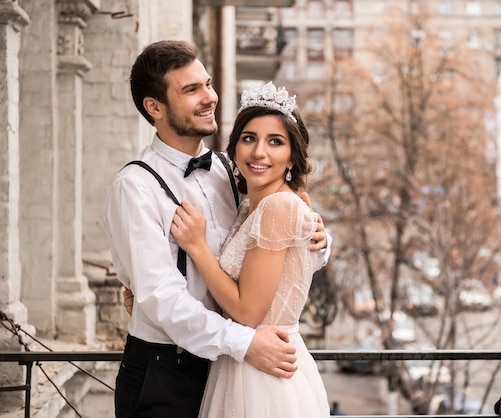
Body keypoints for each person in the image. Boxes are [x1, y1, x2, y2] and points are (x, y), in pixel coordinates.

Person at [102, 40, 331, 418]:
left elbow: (270, 247)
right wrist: (245, 343)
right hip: (167, 371)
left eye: (207, 84)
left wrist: (320, 239)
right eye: (192, 90)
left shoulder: (230, 169)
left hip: (230, 366)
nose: (210, 97)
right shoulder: (135, 187)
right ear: (154, 107)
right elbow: (163, 300)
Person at [170, 81, 329, 417]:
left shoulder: (277, 208)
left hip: (265, 374)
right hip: (243, 361)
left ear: (291, 156)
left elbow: (247, 312)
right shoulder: (251, 206)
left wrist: (197, 247)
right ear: (235, 146)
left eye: (275, 142)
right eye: (249, 138)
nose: (259, 152)